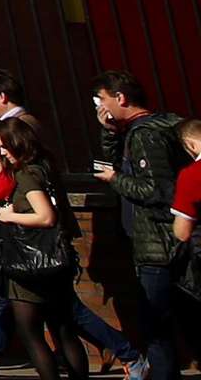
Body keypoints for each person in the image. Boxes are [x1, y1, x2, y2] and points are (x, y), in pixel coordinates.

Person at [94, 73, 193, 380]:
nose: (100, 107)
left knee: (156, 327)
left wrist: (114, 180)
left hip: (156, 242)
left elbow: (155, 189)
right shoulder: (164, 126)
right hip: (172, 239)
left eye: (103, 100)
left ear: (120, 98)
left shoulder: (144, 135)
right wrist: (110, 132)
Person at [0, 121, 87, 380]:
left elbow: (45, 217)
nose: (2, 152)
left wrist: (9, 216)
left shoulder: (27, 173)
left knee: (31, 334)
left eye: (4, 146)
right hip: (56, 259)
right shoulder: (46, 164)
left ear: (17, 142)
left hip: (30, 262)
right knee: (63, 330)